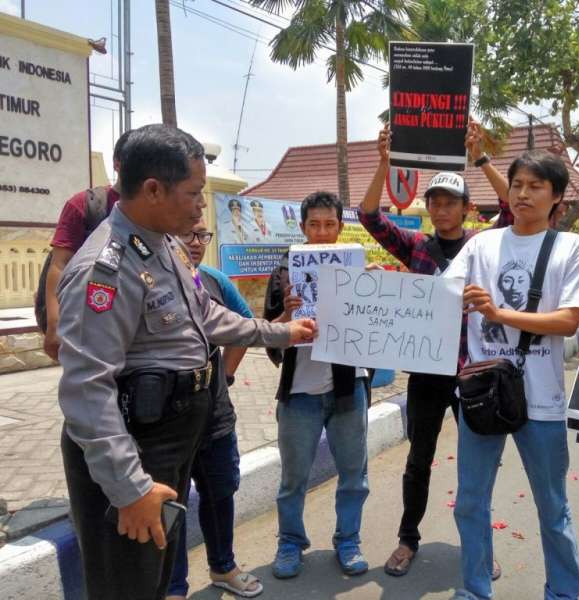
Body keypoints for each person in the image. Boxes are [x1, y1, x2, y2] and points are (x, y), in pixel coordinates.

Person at [57, 124, 316, 600]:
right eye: (194, 193)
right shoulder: (106, 269)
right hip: (136, 447)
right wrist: (130, 488)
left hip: (173, 437)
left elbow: (206, 316)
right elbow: (87, 390)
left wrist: (282, 331)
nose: (201, 206)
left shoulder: (165, 246)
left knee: (153, 577)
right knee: (127, 583)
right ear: (154, 189)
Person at [358, 121, 513, 578]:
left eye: (451, 202)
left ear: (466, 208)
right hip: (426, 372)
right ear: (428, 208)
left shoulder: (484, 245)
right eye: (436, 202)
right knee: (418, 460)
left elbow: (510, 206)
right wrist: (383, 164)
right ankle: (408, 539)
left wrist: (480, 157)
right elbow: (369, 217)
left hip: (473, 373)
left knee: (476, 464)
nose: (442, 209)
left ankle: (479, 543)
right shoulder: (415, 248)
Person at [445, 150, 579, 600]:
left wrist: (498, 313)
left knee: (553, 507)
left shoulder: (572, 247)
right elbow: (440, 295)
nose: (523, 193)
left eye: (535, 186)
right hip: (482, 395)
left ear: (557, 197)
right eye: (517, 185)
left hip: (542, 401)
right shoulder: (481, 245)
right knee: (470, 502)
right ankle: (475, 590)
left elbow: (568, 321)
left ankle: (563, 593)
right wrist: (391, 287)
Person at [264, 191, 371, 580]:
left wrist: (376, 289)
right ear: (302, 227)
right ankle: (290, 543)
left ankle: (348, 540)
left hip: (348, 389)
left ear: (340, 227)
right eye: (314, 225)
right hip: (299, 395)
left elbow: (377, 326)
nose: (322, 232)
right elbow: (267, 336)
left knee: (354, 475)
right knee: (293, 478)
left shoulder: (358, 269)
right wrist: (286, 315)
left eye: (329, 224)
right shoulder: (284, 273)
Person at [166, 219, 261, 599]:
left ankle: (223, 567)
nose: (195, 242)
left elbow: (246, 326)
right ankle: (173, 586)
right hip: (166, 422)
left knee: (220, 492)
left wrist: (227, 375)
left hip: (215, 416)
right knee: (170, 502)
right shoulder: (149, 279)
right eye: (186, 233)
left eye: (202, 235)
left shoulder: (214, 281)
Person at [43, 130, 132, 359]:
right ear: (117, 164)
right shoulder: (83, 205)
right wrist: (54, 324)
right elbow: (59, 264)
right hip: (88, 320)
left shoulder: (158, 210)